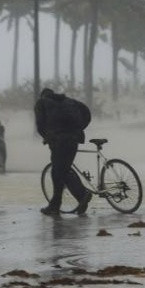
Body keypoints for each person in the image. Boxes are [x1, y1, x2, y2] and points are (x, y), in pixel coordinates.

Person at [34, 88, 92, 217]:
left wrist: (47, 137)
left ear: (43, 95)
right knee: (58, 170)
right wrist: (78, 129)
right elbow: (86, 113)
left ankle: (82, 194)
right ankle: (55, 205)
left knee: (61, 171)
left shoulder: (41, 103)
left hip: (59, 140)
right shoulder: (69, 101)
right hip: (74, 139)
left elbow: (40, 124)